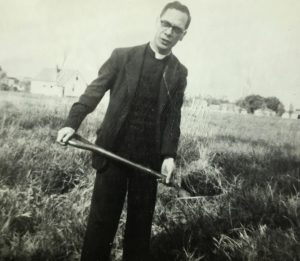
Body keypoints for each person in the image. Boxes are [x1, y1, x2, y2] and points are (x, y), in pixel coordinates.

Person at [56, 1, 191, 260]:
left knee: (139, 233)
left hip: (147, 162)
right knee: (100, 228)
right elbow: (93, 92)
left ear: (183, 35)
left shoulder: (178, 72)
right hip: (111, 154)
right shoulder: (122, 56)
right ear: (157, 22)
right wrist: (72, 123)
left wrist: (169, 155)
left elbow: (173, 117)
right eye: (166, 24)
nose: (168, 32)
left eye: (176, 29)